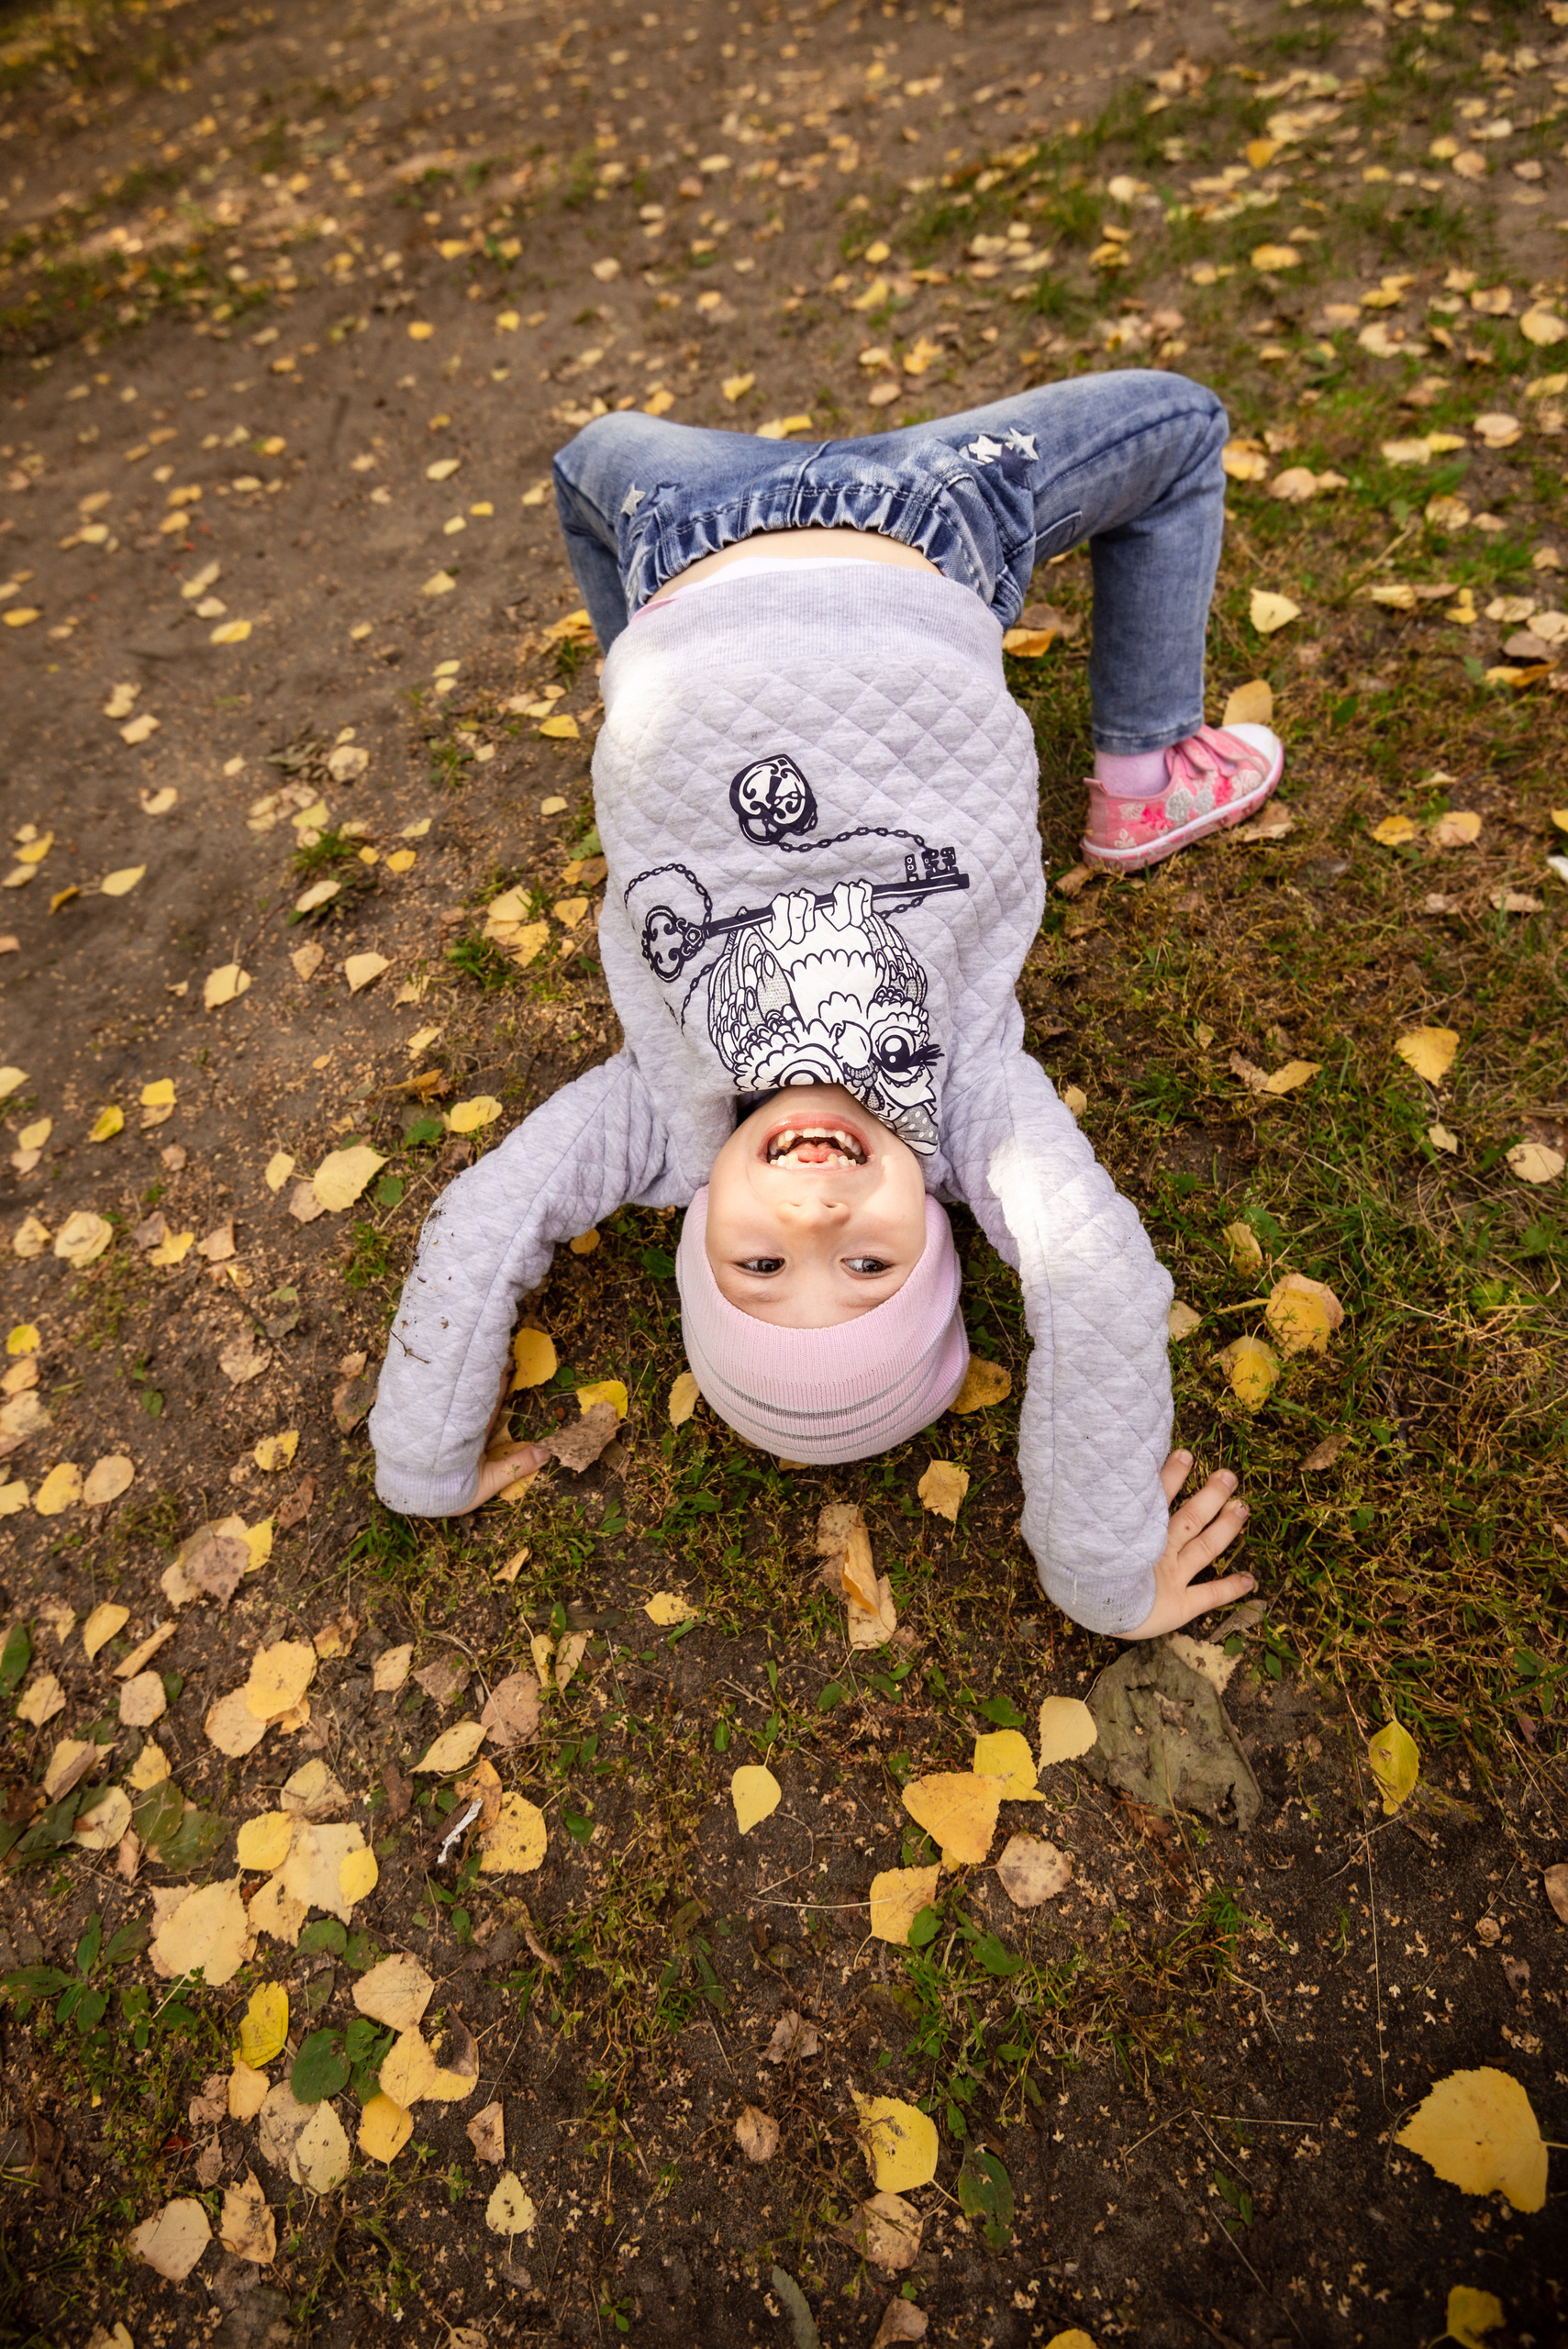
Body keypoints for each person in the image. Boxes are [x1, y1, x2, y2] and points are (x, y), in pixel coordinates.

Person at [367, 372, 1281, 1638]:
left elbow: (481, 1224)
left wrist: (423, 1464)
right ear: (944, 1230)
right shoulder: (970, 1110)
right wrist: (1099, 1570)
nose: (812, 1209)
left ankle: (646, 651)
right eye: (866, 1262)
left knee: (586, 461)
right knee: (1181, 427)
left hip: (678, 538)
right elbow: (1098, 1290)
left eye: (759, 1262)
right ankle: (1143, 763)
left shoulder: (654, 1121)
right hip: (928, 526)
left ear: (695, 1234)